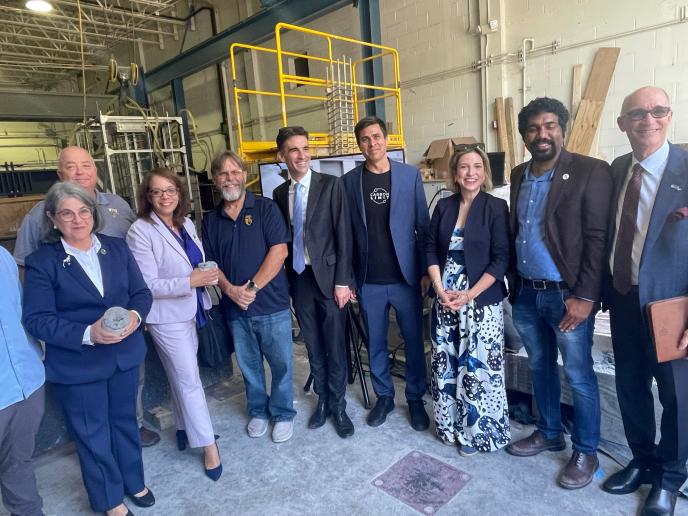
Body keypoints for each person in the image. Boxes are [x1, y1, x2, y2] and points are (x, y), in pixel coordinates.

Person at [22, 182, 154, 516]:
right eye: (67, 213)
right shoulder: (43, 261)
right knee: (92, 433)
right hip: (78, 364)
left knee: (125, 421)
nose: (77, 219)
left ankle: (133, 480)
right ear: (53, 219)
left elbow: (141, 293)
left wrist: (135, 318)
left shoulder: (116, 248)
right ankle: (109, 499)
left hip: (124, 355)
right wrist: (88, 333)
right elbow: (37, 319)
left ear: (93, 214)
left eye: (83, 211)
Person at [14, 146, 160, 448]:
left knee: (133, 375)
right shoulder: (38, 215)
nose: (80, 172)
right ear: (59, 174)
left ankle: (134, 423)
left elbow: (136, 251)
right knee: (89, 399)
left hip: (124, 316)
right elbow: (26, 269)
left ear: (96, 171)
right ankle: (98, 440)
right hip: (78, 326)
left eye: (86, 165)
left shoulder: (118, 205)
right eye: (71, 166)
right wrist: (49, 323)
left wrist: (137, 312)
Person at [505, 97, 612, 490]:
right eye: (533, 129)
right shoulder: (518, 173)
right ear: (524, 136)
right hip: (526, 293)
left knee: (580, 375)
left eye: (549, 126)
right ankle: (549, 431)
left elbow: (597, 239)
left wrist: (585, 295)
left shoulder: (589, 171)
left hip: (567, 296)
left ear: (562, 130)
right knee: (539, 367)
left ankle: (586, 450)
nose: (542, 134)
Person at [601, 86, 688, 516]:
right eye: (637, 113)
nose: (648, 120)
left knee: (677, 398)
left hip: (674, 307)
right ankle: (643, 461)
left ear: (669, 116)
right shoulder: (617, 169)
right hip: (623, 298)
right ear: (622, 124)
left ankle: (670, 479)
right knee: (631, 388)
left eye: (658, 111)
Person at [126, 169, 222, 480]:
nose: (165, 196)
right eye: (157, 191)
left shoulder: (186, 223)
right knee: (189, 379)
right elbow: (148, 284)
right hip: (166, 318)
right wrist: (190, 280)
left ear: (180, 194)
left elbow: (193, 260)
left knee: (181, 376)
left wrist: (203, 275)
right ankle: (208, 446)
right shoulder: (140, 231)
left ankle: (183, 429)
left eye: (171, 190)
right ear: (147, 197)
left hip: (191, 308)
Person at [341, 116, 431, 431]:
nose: (372, 143)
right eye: (365, 139)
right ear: (359, 144)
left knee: (414, 342)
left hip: (406, 280)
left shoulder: (409, 176)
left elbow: (423, 227)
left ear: (386, 138)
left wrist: (425, 273)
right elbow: (347, 235)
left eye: (377, 137)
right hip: (369, 280)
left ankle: (416, 399)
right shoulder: (350, 182)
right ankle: (385, 396)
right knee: (375, 342)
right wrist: (349, 279)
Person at [202, 150, 296, 443]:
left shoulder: (265, 208)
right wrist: (230, 290)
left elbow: (279, 252)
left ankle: (281, 413)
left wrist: (251, 289)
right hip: (235, 309)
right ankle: (258, 410)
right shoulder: (210, 221)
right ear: (216, 180)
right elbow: (211, 265)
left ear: (244, 175)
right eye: (223, 173)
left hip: (271, 305)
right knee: (249, 365)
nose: (230, 178)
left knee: (281, 364)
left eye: (235, 172)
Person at [425, 146, 511, 456]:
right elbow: (431, 250)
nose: (470, 172)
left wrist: (469, 295)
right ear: (455, 173)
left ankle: (478, 433)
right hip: (446, 300)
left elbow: (501, 260)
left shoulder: (496, 207)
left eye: (477, 166)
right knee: (447, 364)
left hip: (480, 301)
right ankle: (450, 427)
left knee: (477, 368)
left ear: (485, 172)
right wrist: (439, 288)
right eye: (464, 167)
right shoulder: (444, 207)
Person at [273, 126, 355, 438]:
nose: (301, 155)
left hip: (331, 278)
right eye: (293, 150)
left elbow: (343, 235)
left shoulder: (331, 186)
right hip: (299, 278)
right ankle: (322, 399)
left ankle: (339, 405)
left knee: (335, 344)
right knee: (312, 344)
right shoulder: (280, 194)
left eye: (305, 148)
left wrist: (343, 281)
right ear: (283, 155)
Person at [0, 246, 45, 516]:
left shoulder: (2, 256)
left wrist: (35, 355)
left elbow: (18, 308)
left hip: (26, 383)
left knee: (19, 463)